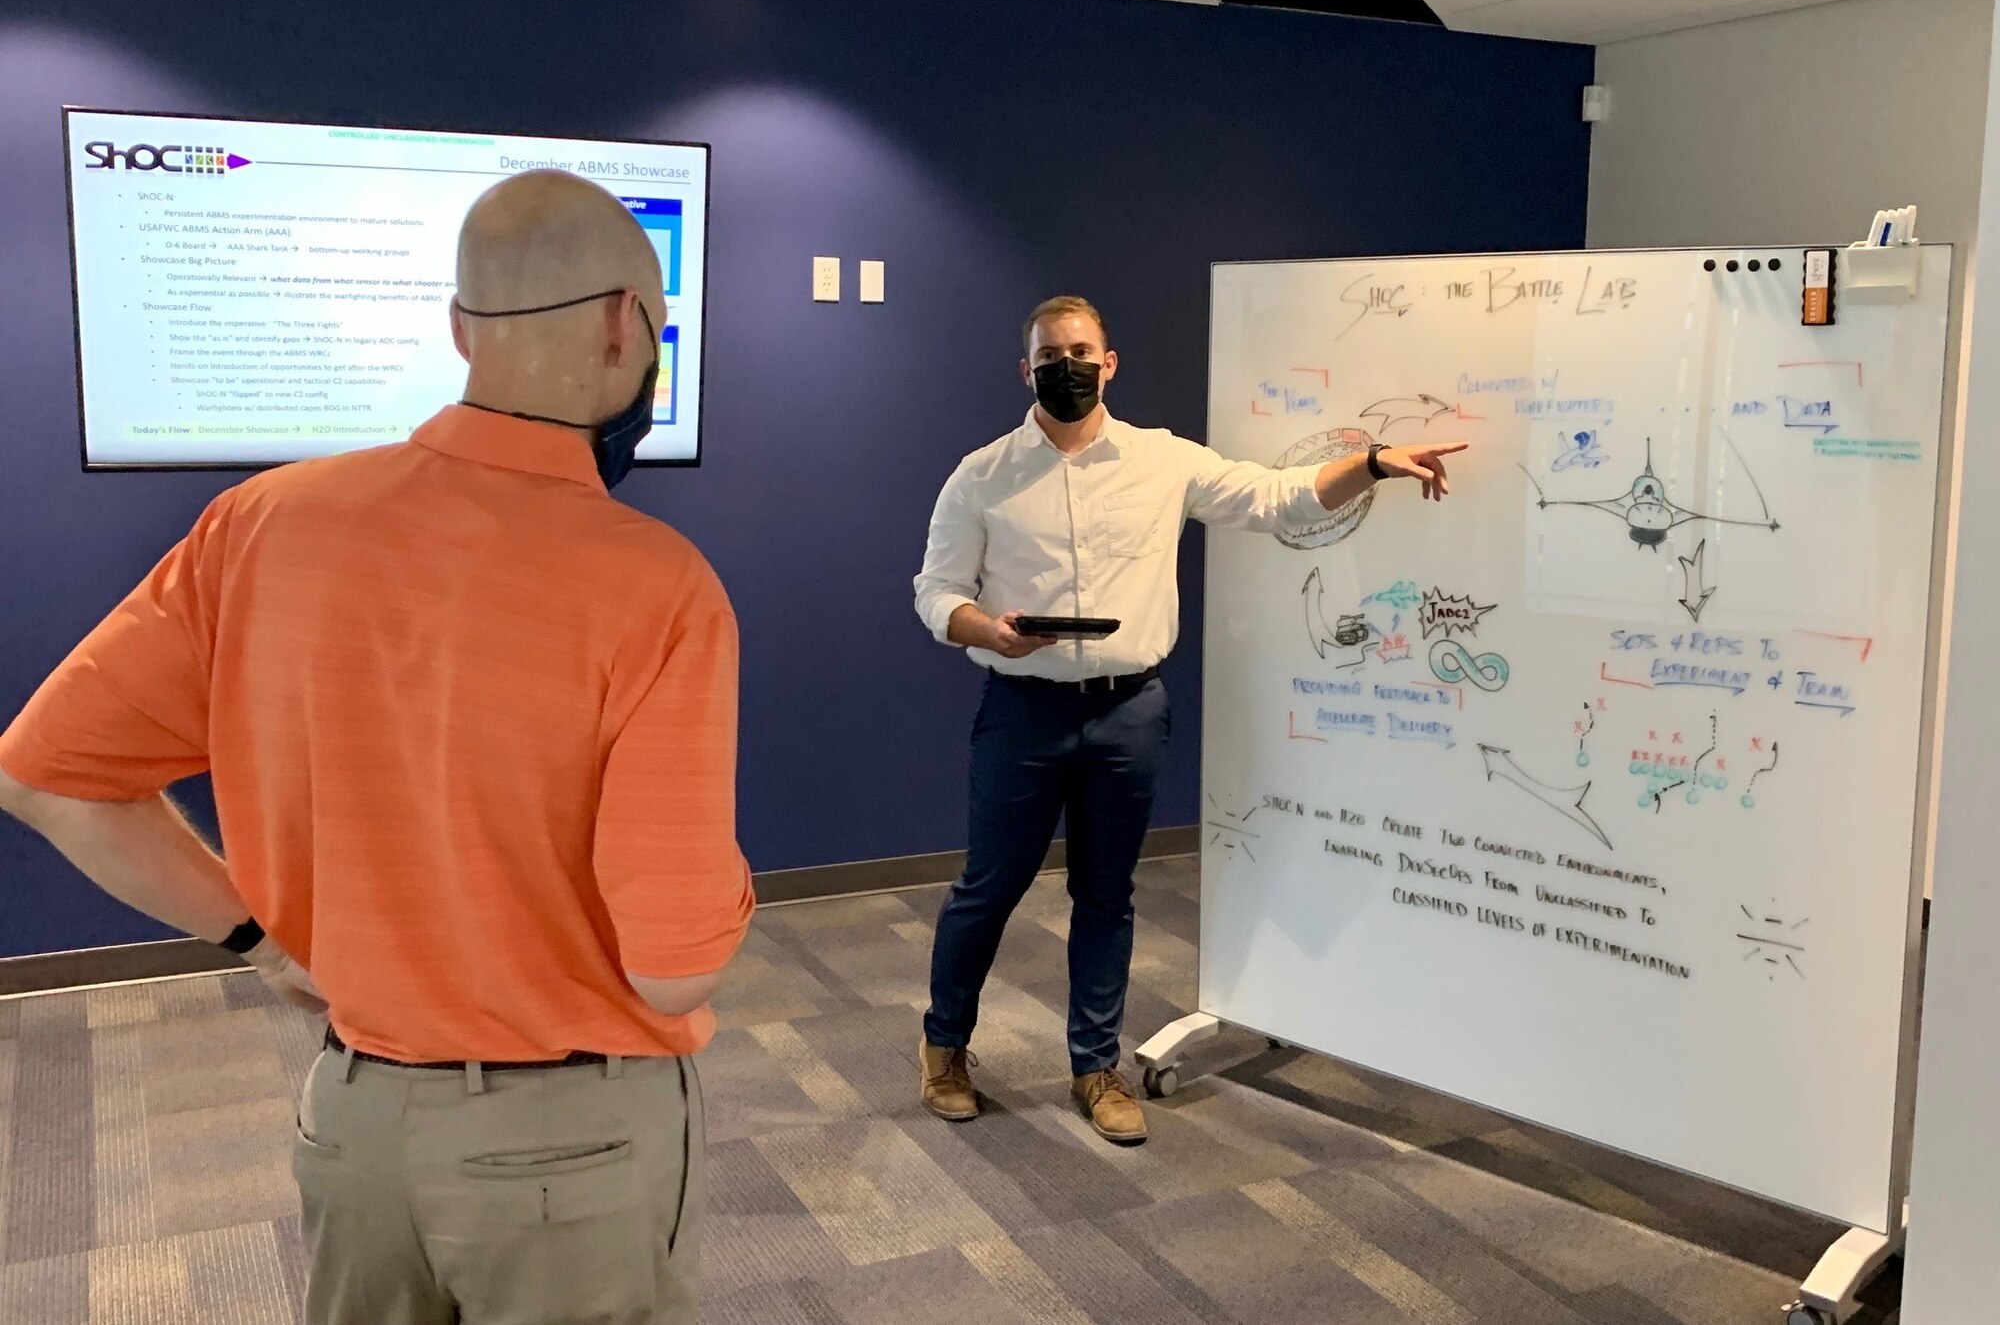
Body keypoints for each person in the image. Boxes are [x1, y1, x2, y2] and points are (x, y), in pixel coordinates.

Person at [0, 170, 753, 1325]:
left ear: (458, 328)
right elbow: (672, 968)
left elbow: (42, 776)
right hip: (571, 1152)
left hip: (352, 1124)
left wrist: (254, 936)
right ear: (626, 328)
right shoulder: (658, 585)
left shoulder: (262, 524)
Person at [912, 295, 1464, 1145]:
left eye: (1081, 350)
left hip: (1131, 712)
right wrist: (985, 629)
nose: (1067, 366)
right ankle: (945, 1047)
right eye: (1050, 355)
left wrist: (1377, 462)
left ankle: (1096, 1067)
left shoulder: (1164, 462)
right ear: (1026, 371)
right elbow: (934, 593)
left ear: (1110, 362)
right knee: (989, 890)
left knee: (1107, 897)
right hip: (1023, 711)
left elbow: (1279, 499)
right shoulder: (981, 475)